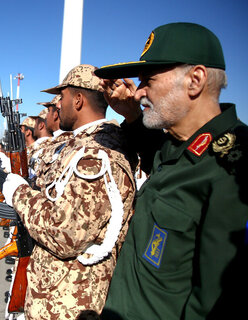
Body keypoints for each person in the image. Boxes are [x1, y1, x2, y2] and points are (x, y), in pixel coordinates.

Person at [94, 22, 248, 319]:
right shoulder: (180, 146)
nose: (138, 94)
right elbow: (159, 153)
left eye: (148, 81)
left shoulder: (234, 166)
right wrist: (129, 113)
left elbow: (213, 305)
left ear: (195, 80)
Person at [2, 65, 137, 319]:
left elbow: (64, 233)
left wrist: (19, 193)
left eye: (61, 97)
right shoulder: (81, 146)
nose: (58, 105)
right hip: (55, 296)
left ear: (78, 100)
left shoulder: (98, 155)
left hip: (70, 305)